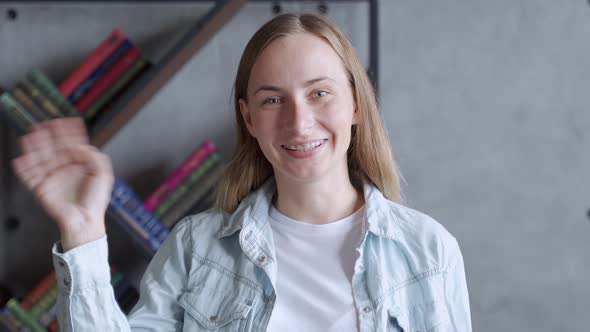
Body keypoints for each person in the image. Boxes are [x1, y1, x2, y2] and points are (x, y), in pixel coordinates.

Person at [11, 13, 471, 332]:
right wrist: (83, 228)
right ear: (249, 119)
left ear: (355, 103)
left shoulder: (428, 251)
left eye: (319, 94)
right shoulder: (196, 248)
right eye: (273, 99)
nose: (298, 121)